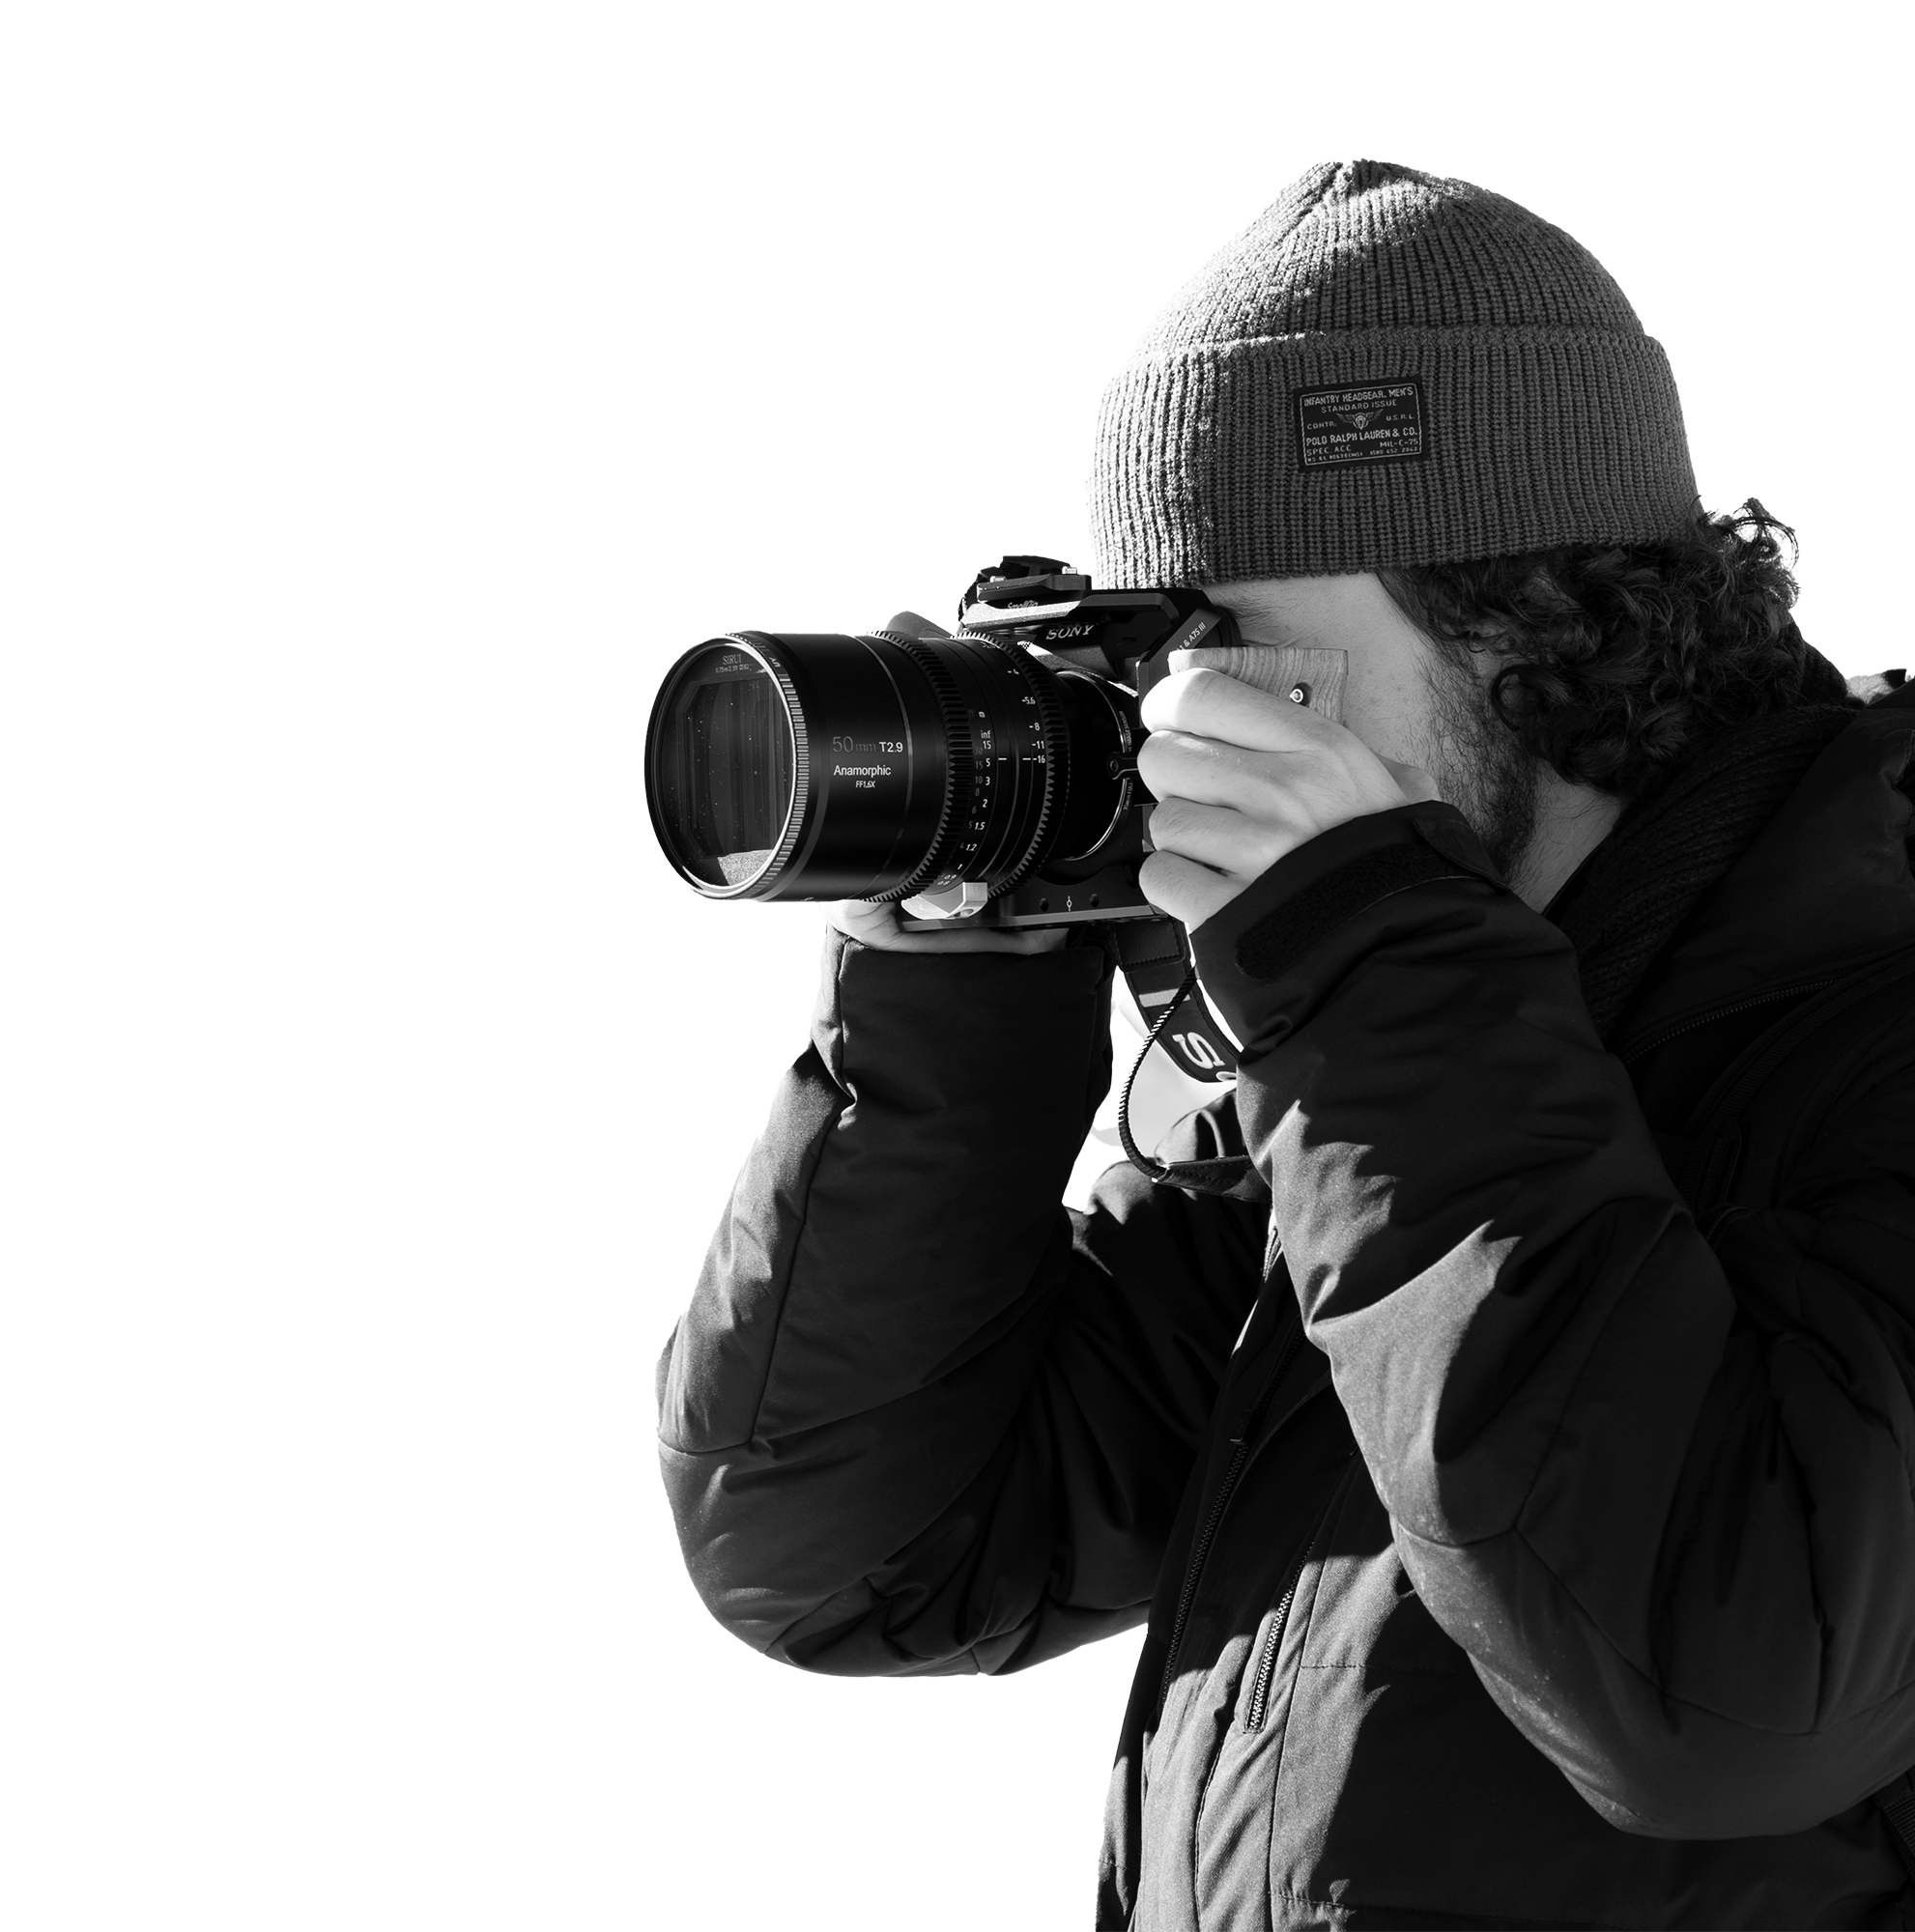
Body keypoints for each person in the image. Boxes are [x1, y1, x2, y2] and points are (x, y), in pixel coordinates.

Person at [656, 158, 1915, 1928]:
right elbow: (862, 1558)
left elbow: (1727, 1698)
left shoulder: (1826, 1036)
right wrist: (959, 980)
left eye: (1225, 651)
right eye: (1137, 663)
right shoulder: (1333, 1082)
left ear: (1523, 616)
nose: (1177, 732)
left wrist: (1370, 965)